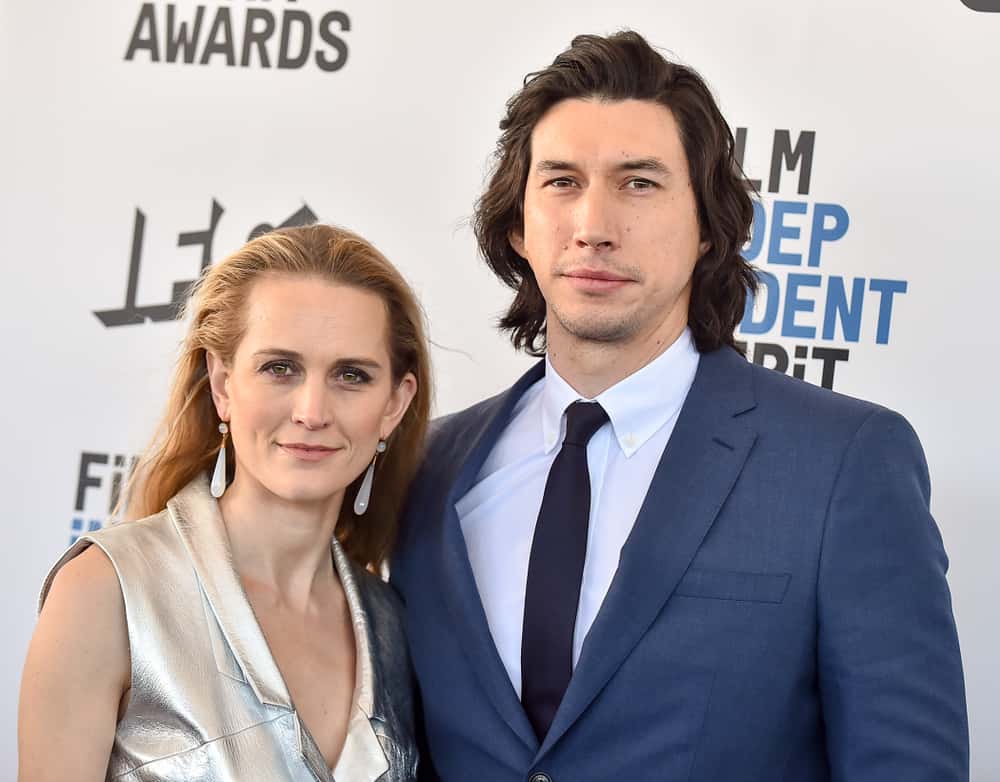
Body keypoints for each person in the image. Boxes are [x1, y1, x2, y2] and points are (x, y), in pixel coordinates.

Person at [391, 31, 969, 781]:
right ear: (517, 226)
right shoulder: (427, 467)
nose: (594, 226)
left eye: (639, 183)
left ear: (707, 229)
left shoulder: (843, 464)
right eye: (561, 181)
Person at [18, 224, 430, 781]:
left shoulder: (397, 626)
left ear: (394, 404)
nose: (312, 410)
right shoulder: (107, 591)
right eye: (280, 368)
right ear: (222, 384)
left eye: (351, 376)